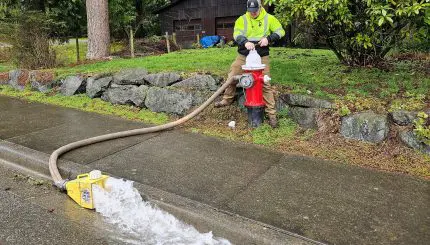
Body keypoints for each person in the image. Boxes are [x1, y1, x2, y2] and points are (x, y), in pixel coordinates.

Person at [214, 0, 285, 128]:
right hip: (244, 54)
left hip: (262, 55)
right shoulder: (242, 19)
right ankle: (227, 99)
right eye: (250, 11)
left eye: (255, 11)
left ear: (260, 8)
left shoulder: (269, 18)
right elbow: (237, 34)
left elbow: (281, 31)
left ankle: (272, 114)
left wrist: (268, 39)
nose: (252, 13)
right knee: (233, 74)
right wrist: (244, 41)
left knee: (265, 82)